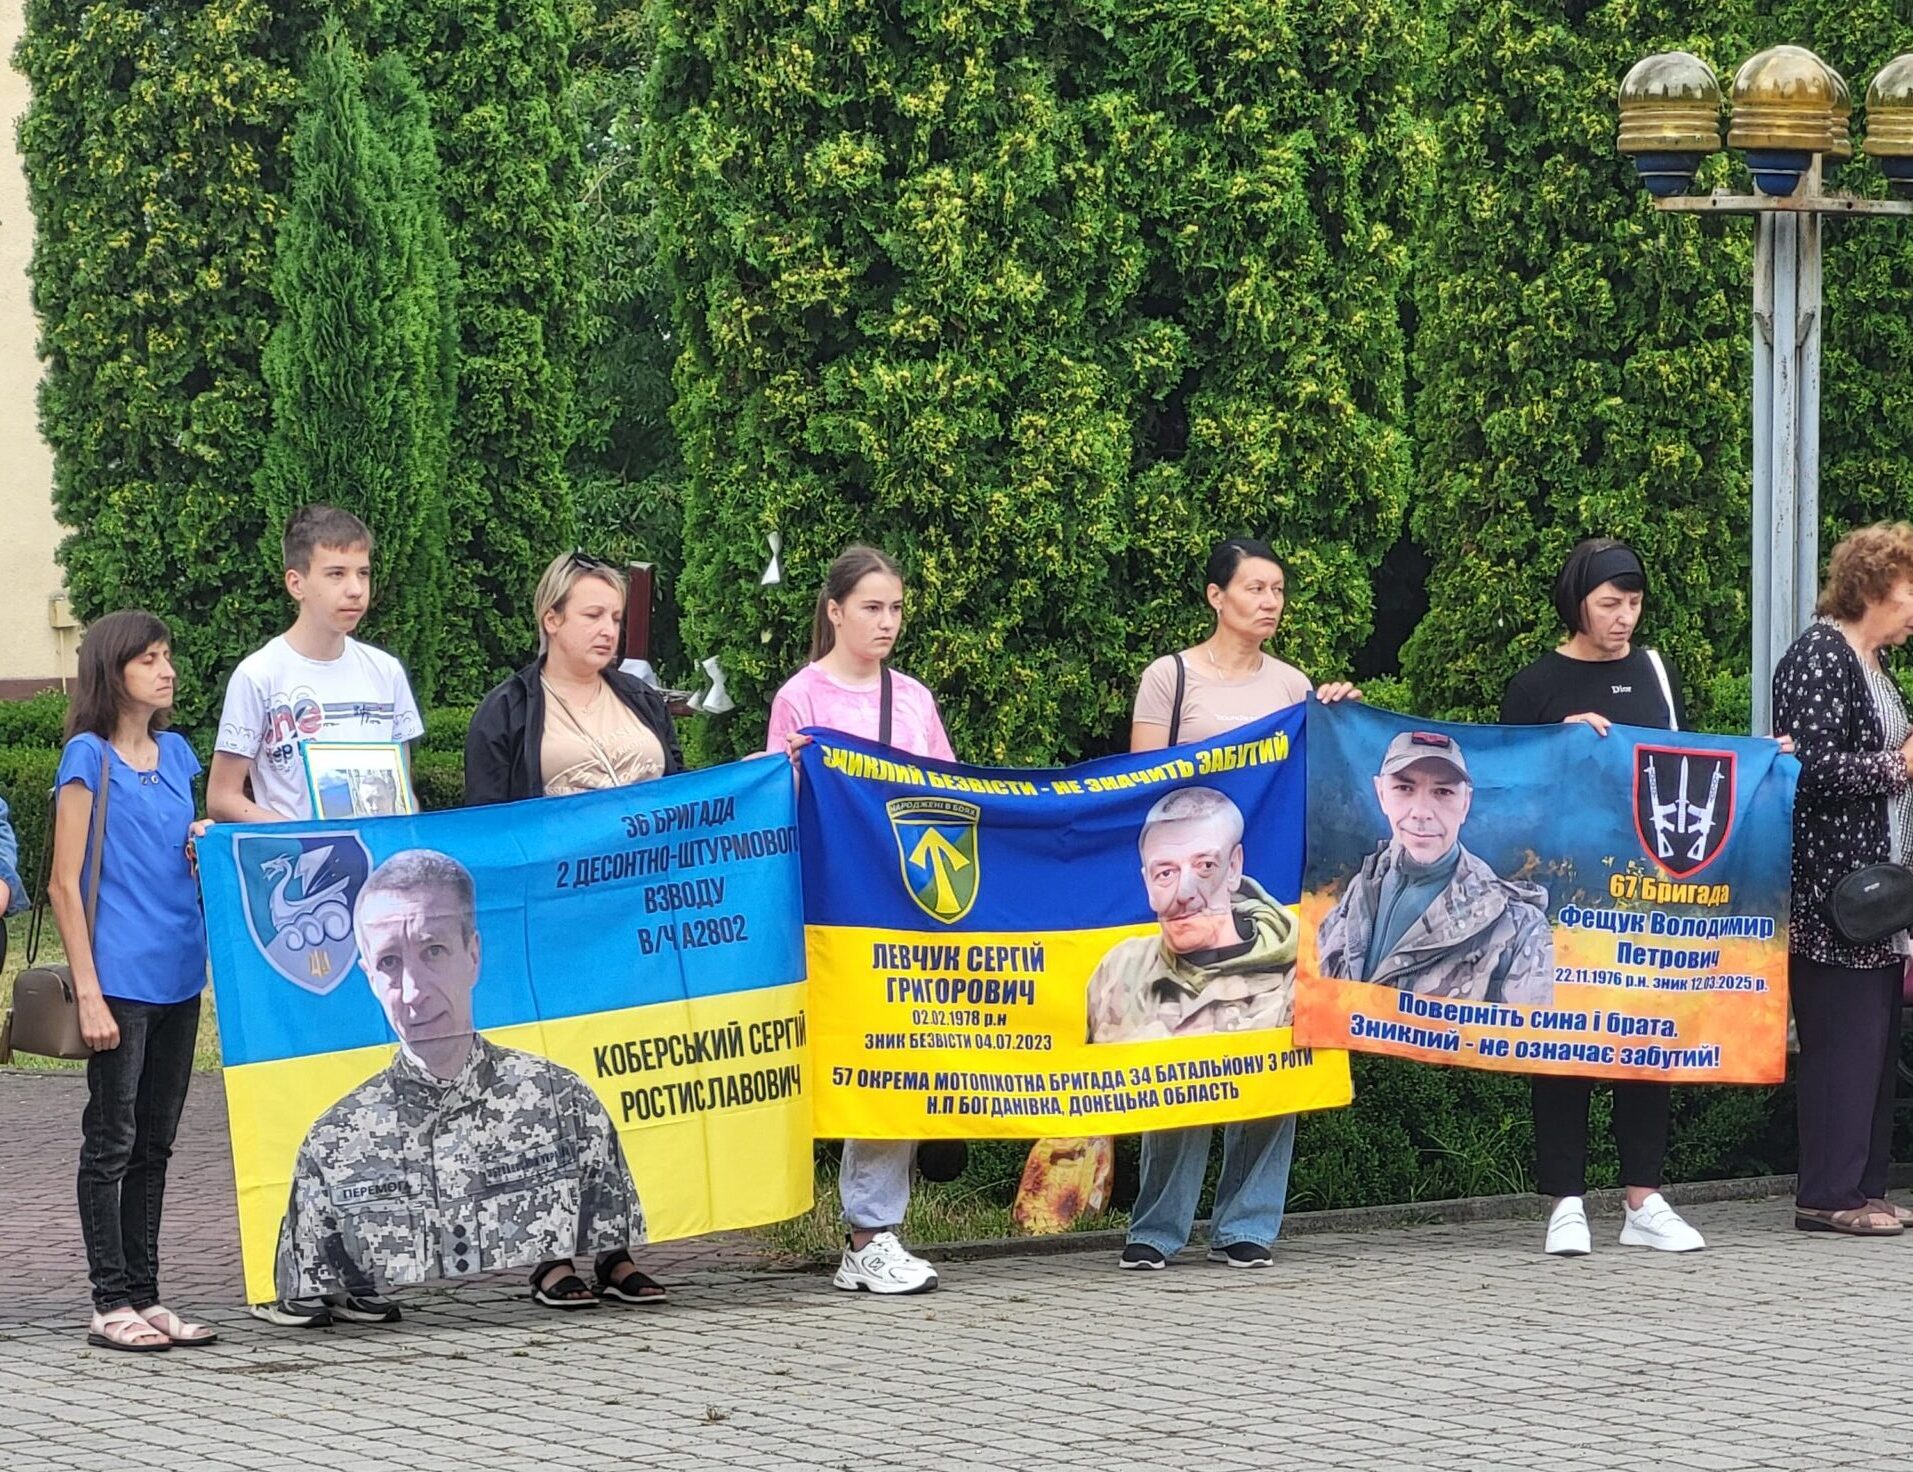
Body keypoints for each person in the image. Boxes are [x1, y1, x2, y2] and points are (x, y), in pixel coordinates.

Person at [1117, 537, 1357, 1272]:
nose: (1269, 602)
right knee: (1179, 1055)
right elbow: (1137, 785)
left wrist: (1339, 718)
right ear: (1216, 597)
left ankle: (1247, 1223)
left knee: (1268, 1052)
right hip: (1188, 900)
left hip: (1267, 893)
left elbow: (1314, 782)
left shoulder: (1292, 687)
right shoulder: (1170, 678)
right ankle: (1157, 1227)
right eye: (1255, 588)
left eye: (1277, 590)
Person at [209, 504, 421, 1328]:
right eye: (335, 573)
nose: (353, 589)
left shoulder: (383, 674)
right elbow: (225, 796)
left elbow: (400, 796)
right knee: (301, 1085)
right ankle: (289, 1273)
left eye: (362, 572)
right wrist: (303, 838)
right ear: (295, 581)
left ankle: (361, 1263)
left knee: (376, 1086)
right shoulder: (261, 677)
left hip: (379, 916)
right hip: (299, 922)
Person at [275, 850, 642, 1300]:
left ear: (473, 954)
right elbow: (304, 1279)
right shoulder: (333, 1140)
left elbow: (610, 1215)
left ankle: (567, 1268)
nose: (413, 991)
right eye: (389, 962)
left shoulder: (560, 1099)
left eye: (433, 951)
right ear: (368, 976)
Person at [465, 550, 681, 1307]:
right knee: (552, 1088)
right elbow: (485, 831)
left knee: (627, 1077)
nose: (607, 629)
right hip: (551, 930)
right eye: (591, 614)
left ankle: (617, 1249)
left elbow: (681, 800)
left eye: (614, 616)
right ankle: (550, 1255)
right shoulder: (508, 711)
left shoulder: (642, 700)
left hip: (637, 924)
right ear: (550, 618)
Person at [1499, 537, 1706, 1257]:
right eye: (1610, 603)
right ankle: (1564, 1200)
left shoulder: (1654, 671)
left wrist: (1764, 765)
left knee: (1643, 1037)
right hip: (1561, 894)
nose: (1624, 618)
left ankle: (1642, 1198)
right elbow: (1504, 787)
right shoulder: (1535, 684)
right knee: (1563, 1042)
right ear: (1576, 603)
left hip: (1646, 889)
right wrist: (1554, 744)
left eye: (1634, 603)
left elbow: (1691, 764)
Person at [767, 544, 952, 1294]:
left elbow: (947, 792)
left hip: (905, 905)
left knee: (897, 1056)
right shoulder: (800, 697)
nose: (887, 622)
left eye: (896, 608)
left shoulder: (912, 699)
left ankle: (873, 1231)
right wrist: (790, 769)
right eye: (872, 607)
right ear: (835, 611)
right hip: (836, 910)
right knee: (860, 1057)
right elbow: (778, 802)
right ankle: (863, 1231)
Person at [51, 612, 215, 1352]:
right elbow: (63, 883)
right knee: (110, 1142)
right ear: (112, 671)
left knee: (156, 1144)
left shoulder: (177, 754)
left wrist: (201, 840)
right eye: (148, 659)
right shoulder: (87, 758)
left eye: (167, 656)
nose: (166, 670)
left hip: (181, 971)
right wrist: (88, 992)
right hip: (119, 978)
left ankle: (146, 1295)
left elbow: (175, 849)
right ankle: (108, 1299)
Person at [1775, 522, 1913, 1238]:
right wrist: (1899, 765)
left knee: (1876, 1045)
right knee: (1841, 1043)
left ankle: (1864, 1187)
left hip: (1880, 894)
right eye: (1910, 590)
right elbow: (1809, 769)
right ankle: (1825, 1194)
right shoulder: (1820, 656)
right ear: (1873, 587)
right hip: (1833, 889)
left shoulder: (1873, 662)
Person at [1314, 729, 1553, 1004]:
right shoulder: (1357, 891)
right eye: (1404, 788)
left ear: (1466, 803)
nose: (1421, 812)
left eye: (1443, 792)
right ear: (1381, 794)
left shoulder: (1519, 925)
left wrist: (1581, 739)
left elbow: (1529, 1029)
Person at [1085, 787, 1297, 1041]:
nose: (1184, 893)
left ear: (1233, 868)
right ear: (1148, 884)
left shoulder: (1303, 975)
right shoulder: (1117, 973)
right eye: (1165, 873)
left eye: (1205, 866)